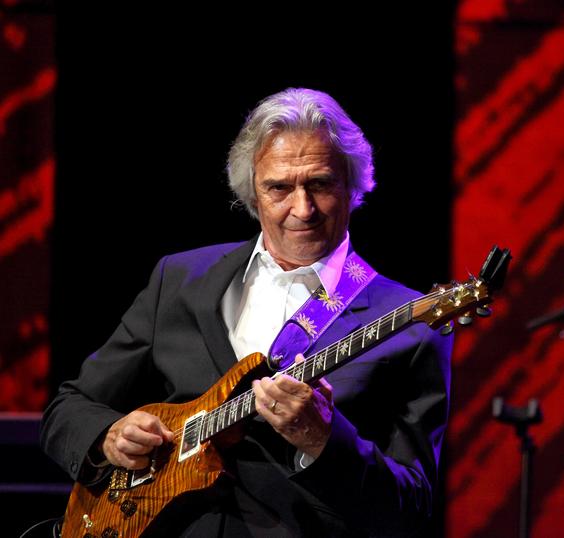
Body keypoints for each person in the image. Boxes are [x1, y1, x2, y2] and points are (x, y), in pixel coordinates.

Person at [40, 88, 452, 537]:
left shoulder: (409, 322)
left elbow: (411, 508)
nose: (302, 208)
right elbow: (69, 407)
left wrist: (324, 440)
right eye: (280, 187)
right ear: (252, 194)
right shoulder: (179, 280)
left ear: (353, 186)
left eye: (320, 183)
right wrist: (109, 436)